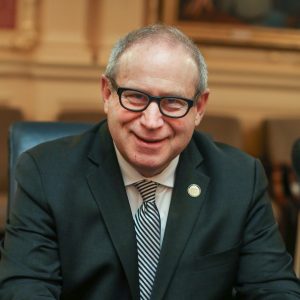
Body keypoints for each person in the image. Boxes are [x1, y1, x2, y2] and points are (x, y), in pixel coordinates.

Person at [0, 24, 299, 300]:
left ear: (199, 108)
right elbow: (26, 289)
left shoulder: (240, 179)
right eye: (135, 97)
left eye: (173, 102)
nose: (152, 121)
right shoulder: (46, 173)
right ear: (107, 94)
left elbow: (273, 288)